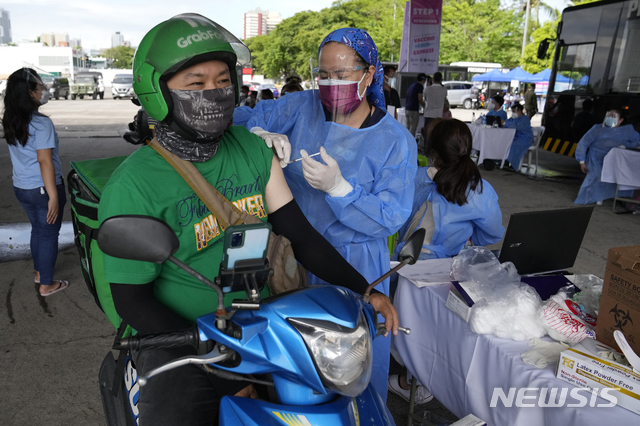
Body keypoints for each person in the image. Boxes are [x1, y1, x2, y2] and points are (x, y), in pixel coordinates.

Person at [99, 15, 399, 425]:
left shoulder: (251, 151)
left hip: (256, 319)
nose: (214, 92)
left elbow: (300, 234)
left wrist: (365, 290)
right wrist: (214, 355)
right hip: (180, 337)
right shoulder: (134, 184)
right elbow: (131, 301)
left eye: (223, 81)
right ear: (157, 91)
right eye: (195, 83)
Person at [234, 27, 418, 402]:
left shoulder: (395, 141)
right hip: (290, 252)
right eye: (324, 74)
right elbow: (236, 117)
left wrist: (341, 190)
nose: (330, 84)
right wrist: (257, 134)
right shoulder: (300, 107)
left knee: (351, 366)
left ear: (369, 74)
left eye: (342, 74)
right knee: (291, 366)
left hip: (353, 261)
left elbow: (391, 217)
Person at [388, 118, 504, 404]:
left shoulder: (414, 178)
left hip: (406, 267)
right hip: (450, 271)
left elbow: (390, 215)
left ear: (431, 152)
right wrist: (465, 237)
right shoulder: (480, 189)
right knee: (438, 324)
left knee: (400, 320)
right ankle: (422, 380)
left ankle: (405, 376)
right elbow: (491, 233)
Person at [2, 68, 69, 296]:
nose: (44, 91)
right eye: (40, 87)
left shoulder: (11, 119)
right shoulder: (41, 124)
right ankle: (47, 284)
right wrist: (52, 196)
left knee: (39, 230)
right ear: (29, 93)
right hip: (43, 189)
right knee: (49, 234)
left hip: (22, 187)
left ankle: (41, 272)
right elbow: (44, 161)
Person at [574, 109, 640, 205]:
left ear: (621, 120)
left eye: (613, 117)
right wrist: (582, 161)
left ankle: (602, 196)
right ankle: (590, 197)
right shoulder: (597, 129)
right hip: (595, 158)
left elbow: (635, 142)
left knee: (616, 177)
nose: (610, 118)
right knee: (596, 176)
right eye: (609, 116)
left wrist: (625, 146)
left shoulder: (627, 131)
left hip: (615, 160)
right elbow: (583, 143)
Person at [504, 102, 534, 170]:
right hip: (515, 137)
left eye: (514, 111)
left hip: (524, 138)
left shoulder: (525, 119)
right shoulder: (513, 118)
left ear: (519, 111)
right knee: (505, 143)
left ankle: (512, 164)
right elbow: (506, 122)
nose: (513, 113)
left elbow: (518, 127)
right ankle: (504, 161)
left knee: (513, 145)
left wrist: (507, 124)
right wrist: (506, 124)